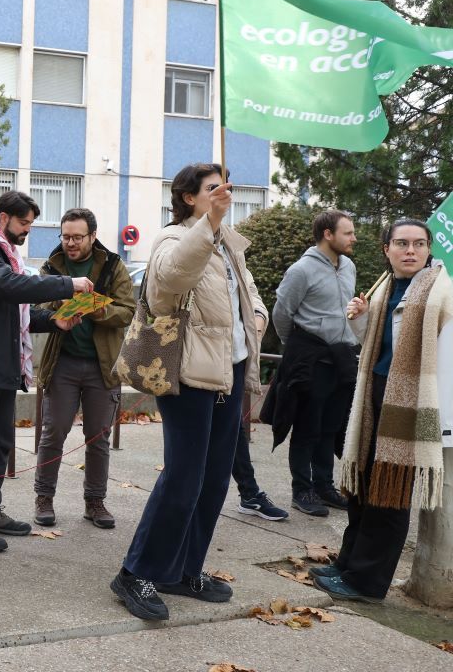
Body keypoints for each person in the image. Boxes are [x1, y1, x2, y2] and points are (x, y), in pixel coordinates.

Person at [110, 163, 267, 621]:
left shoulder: (229, 244)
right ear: (188, 198)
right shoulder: (175, 239)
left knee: (216, 479)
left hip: (230, 374)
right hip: (189, 376)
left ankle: (183, 568)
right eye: (211, 188)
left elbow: (251, 293)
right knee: (183, 477)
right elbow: (171, 281)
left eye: (225, 186)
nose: (223, 194)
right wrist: (209, 225)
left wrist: (256, 318)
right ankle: (136, 571)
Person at [0, 191, 93, 553]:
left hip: (2, 365)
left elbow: (14, 316)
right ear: (3, 218)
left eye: (30, 223)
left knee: (0, 444)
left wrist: (54, 320)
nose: (28, 230)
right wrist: (66, 284)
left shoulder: (7, 255)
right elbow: (11, 288)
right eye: (24, 222)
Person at [314, 218, 451, 603]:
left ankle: (367, 582)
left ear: (428, 250)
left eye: (420, 244)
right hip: (375, 391)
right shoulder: (385, 288)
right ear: (386, 248)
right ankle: (347, 564)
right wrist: (361, 319)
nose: (411, 251)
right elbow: (377, 346)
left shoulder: (441, 294)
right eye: (402, 243)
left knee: (390, 493)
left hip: (413, 400)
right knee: (364, 485)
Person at [32, 208, 135, 531]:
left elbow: (128, 311)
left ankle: (95, 502)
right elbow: (37, 305)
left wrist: (91, 307)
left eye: (77, 237)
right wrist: (65, 301)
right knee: (53, 433)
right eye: (66, 237)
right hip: (62, 363)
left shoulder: (114, 265)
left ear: (93, 236)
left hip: (102, 366)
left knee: (98, 438)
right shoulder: (52, 266)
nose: (71, 243)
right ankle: (43, 498)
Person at [269, 209, 359, 517]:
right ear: (328, 235)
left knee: (331, 427)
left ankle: (324, 486)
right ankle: (302, 490)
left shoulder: (348, 266)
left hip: (341, 358)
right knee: (307, 427)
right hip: (311, 360)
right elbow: (281, 314)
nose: (354, 238)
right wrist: (296, 346)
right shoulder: (301, 270)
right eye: (348, 233)